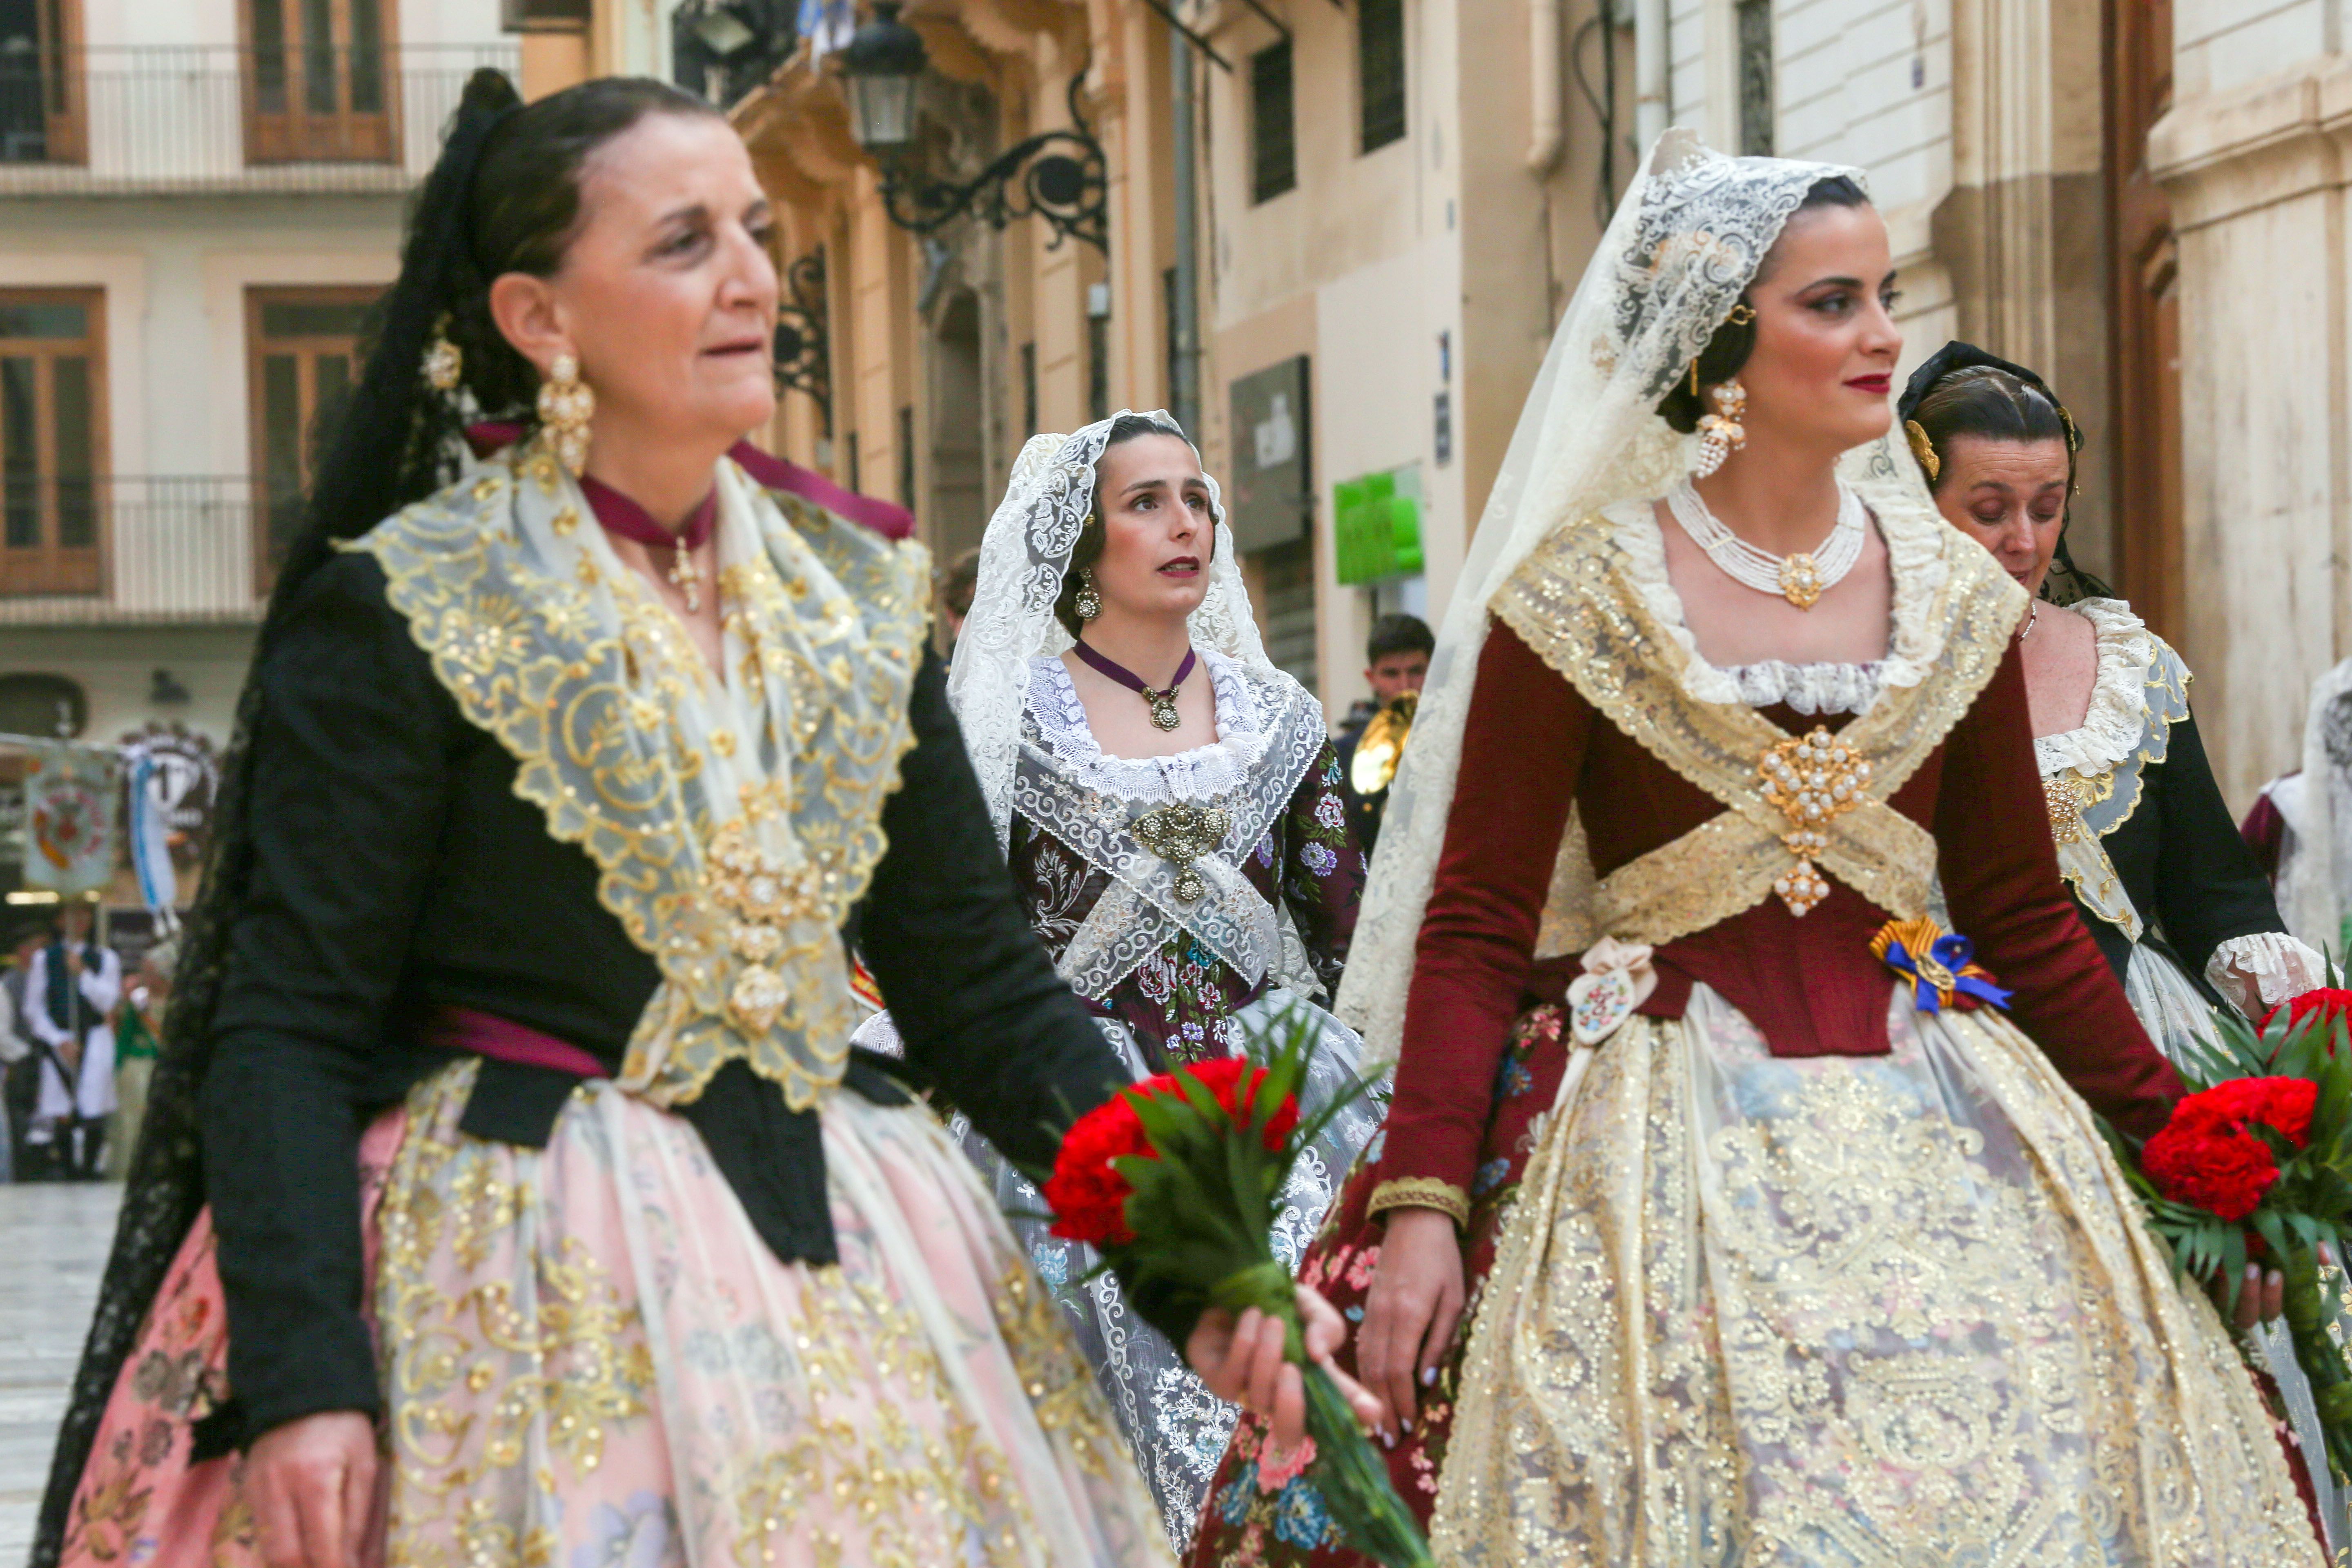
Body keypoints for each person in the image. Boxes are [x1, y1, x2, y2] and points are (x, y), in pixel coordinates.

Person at [32, 73, 1365, 1568]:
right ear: (539, 318)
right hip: (508, 1278)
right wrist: (303, 1375)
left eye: (751, 227)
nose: (750, 278)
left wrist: (1198, 1273)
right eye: (682, 243)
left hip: (850, 1248)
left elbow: (981, 995)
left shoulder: (855, 596)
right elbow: (283, 1019)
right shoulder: (403, 606)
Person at [1187, 132, 2322, 1567]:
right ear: (1724, 343)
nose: (1882, 335)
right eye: (1832, 303)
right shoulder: (1579, 603)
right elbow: (1476, 927)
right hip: (1649, 1144)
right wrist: (1420, 1207)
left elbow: (2025, 925)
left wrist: (2195, 1151)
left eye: (1883, 294)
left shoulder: (1957, 606)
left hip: (1952, 1126)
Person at [855, 409, 1379, 1552]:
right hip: (1085, 1110)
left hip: (1278, 1108)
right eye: (1145, 502)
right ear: (1080, 548)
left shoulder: (1280, 720)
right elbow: (958, 949)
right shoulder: (1007, 727)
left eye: (1196, 498)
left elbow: (1348, 934)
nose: (1183, 522)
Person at [1902, 341, 2339, 1545]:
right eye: (1988, 508)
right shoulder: (1861, 673)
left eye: (2047, 507)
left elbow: (2213, 889)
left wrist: (2293, 1016)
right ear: (1913, 494)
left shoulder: (2124, 663)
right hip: (1951, 1059)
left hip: (2148, 1046)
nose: (2024, 537)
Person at [26, 904, 122, 1181]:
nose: (79, 920)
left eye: (84, 915)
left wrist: (83, 974)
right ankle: (68, 1170)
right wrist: (58, 1040)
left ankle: (91, 1169)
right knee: (62, 1108)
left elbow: (109, 1001)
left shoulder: (105, 958)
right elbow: (34, 1009)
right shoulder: (45, 959)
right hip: (61, 1040)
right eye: (71, 915)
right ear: (58, 920)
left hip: (95, 1037)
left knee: (94, 1106)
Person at [1333, 614, 1432, 854]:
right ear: (1371, 678)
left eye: (1416, 671)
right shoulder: (1341, 754)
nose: (1405, 685)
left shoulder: (1462, 740)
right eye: (1391, 674)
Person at [105, 946, 168, 1181]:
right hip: (137, 1068)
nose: (148, 978)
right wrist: (119, 1066)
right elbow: (125, 1037)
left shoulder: (178, 1001)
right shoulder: (139, 1002)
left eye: (153, 972)